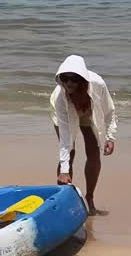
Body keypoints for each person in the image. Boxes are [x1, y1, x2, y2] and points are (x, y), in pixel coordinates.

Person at [50, 55, 117, 215]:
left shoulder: (98, 84)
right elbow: (66, 139)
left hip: (89, 111)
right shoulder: (60, 96)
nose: (69, 83)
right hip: (65, 113)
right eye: (64, 79)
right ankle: (63, 204)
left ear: (82, 79)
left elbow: (109, 111)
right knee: (69, 153)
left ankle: (89, 199)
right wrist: (64, 170)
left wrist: (110, 136)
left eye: (73, 79)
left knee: (94, 153)